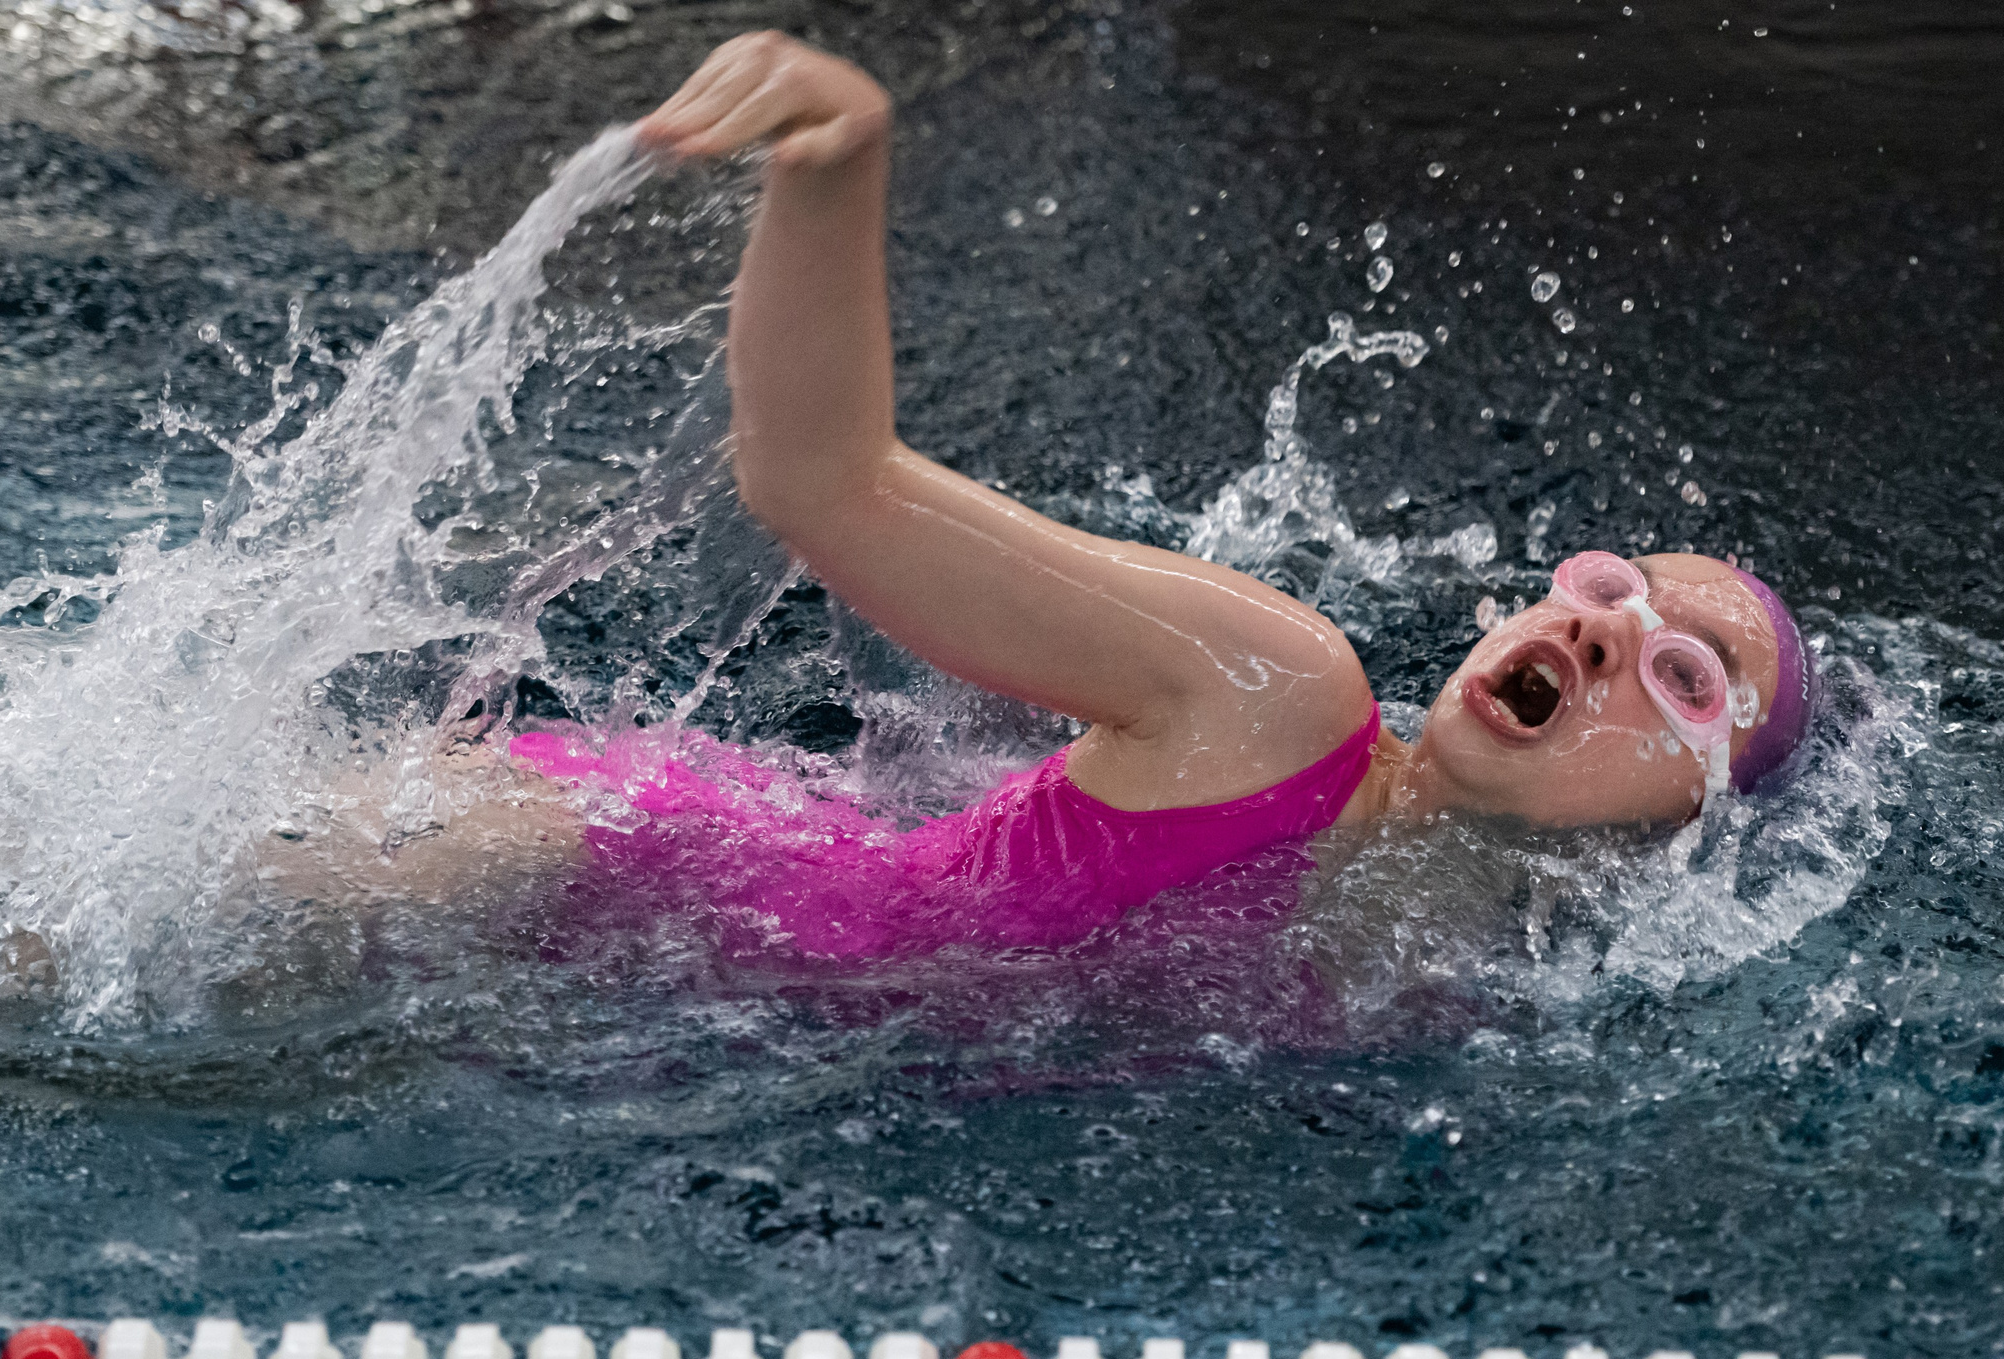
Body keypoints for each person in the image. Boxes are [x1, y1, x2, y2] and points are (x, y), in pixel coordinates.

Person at [492, 33, 1818, 964]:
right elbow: (823, 484)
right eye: (1612, 592)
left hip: (651, 1046)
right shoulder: (1276, 696)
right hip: (569, 865)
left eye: (1685, 677)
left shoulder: (1472, 991)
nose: (1603, 631)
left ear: (1692, 824)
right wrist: (838, 160)